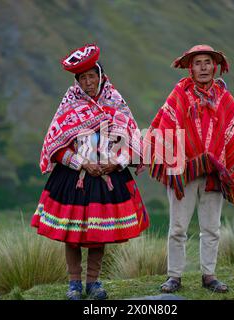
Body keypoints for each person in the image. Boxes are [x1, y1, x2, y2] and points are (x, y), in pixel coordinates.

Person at [32, 44, 149, 300]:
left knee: (99, 234)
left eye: (92, 76)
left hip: (108, 176)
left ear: (101, 76)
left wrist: (115, 163)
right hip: (75, 179)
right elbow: (55, 148)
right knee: (72, 235)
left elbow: (131, 143)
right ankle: (74, 284)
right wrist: (81, 163)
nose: (88, 82)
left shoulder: (115, 103)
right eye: (82, 78)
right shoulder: (68, 107)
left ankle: (93, 284)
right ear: (77, 81)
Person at [144, 44, 234, 293]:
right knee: (177, 227)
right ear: (190, 67)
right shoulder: (180, 93)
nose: (203, 68)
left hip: (214, 175)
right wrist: (161, 155)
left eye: (207, 62)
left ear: (215, 66)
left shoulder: (224, 97)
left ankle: (209, 275)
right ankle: (174, 276)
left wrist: (225, 162)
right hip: (184, 174)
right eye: (197, 63)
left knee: (211, 228)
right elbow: (164, 124)